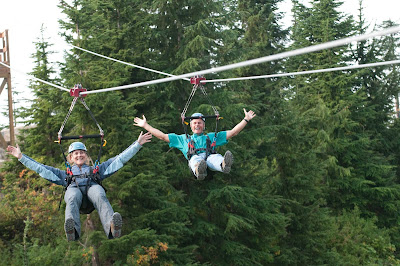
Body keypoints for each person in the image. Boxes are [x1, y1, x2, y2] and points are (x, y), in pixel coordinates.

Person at [7, 131, 152, 241]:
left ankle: (112, 228)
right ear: (71, 158)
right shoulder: (66, 175)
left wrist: (137, 144)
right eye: (76, 153)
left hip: (92, 194)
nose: (79, 155)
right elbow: (41, 168)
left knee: (99, 192)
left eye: (82, 153)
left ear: (87, 156)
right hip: (75, 195)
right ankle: (73, 231)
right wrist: (21, 157)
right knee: (71, 195)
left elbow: (119, 160)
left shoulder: (96, 170)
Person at [134, 109, 256, 180]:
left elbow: (233, 132)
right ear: (191, 126)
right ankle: (199, 169)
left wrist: (246, 119)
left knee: (214, 158)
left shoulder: (211, 136)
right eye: (194, 123)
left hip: (209, 158)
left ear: (203, 126)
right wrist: (146, 126)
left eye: (199, 123)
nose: (197, 125)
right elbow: (162, 136)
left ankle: (223, 165)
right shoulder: (183, 139)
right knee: (195, 159)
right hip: (195, 159)